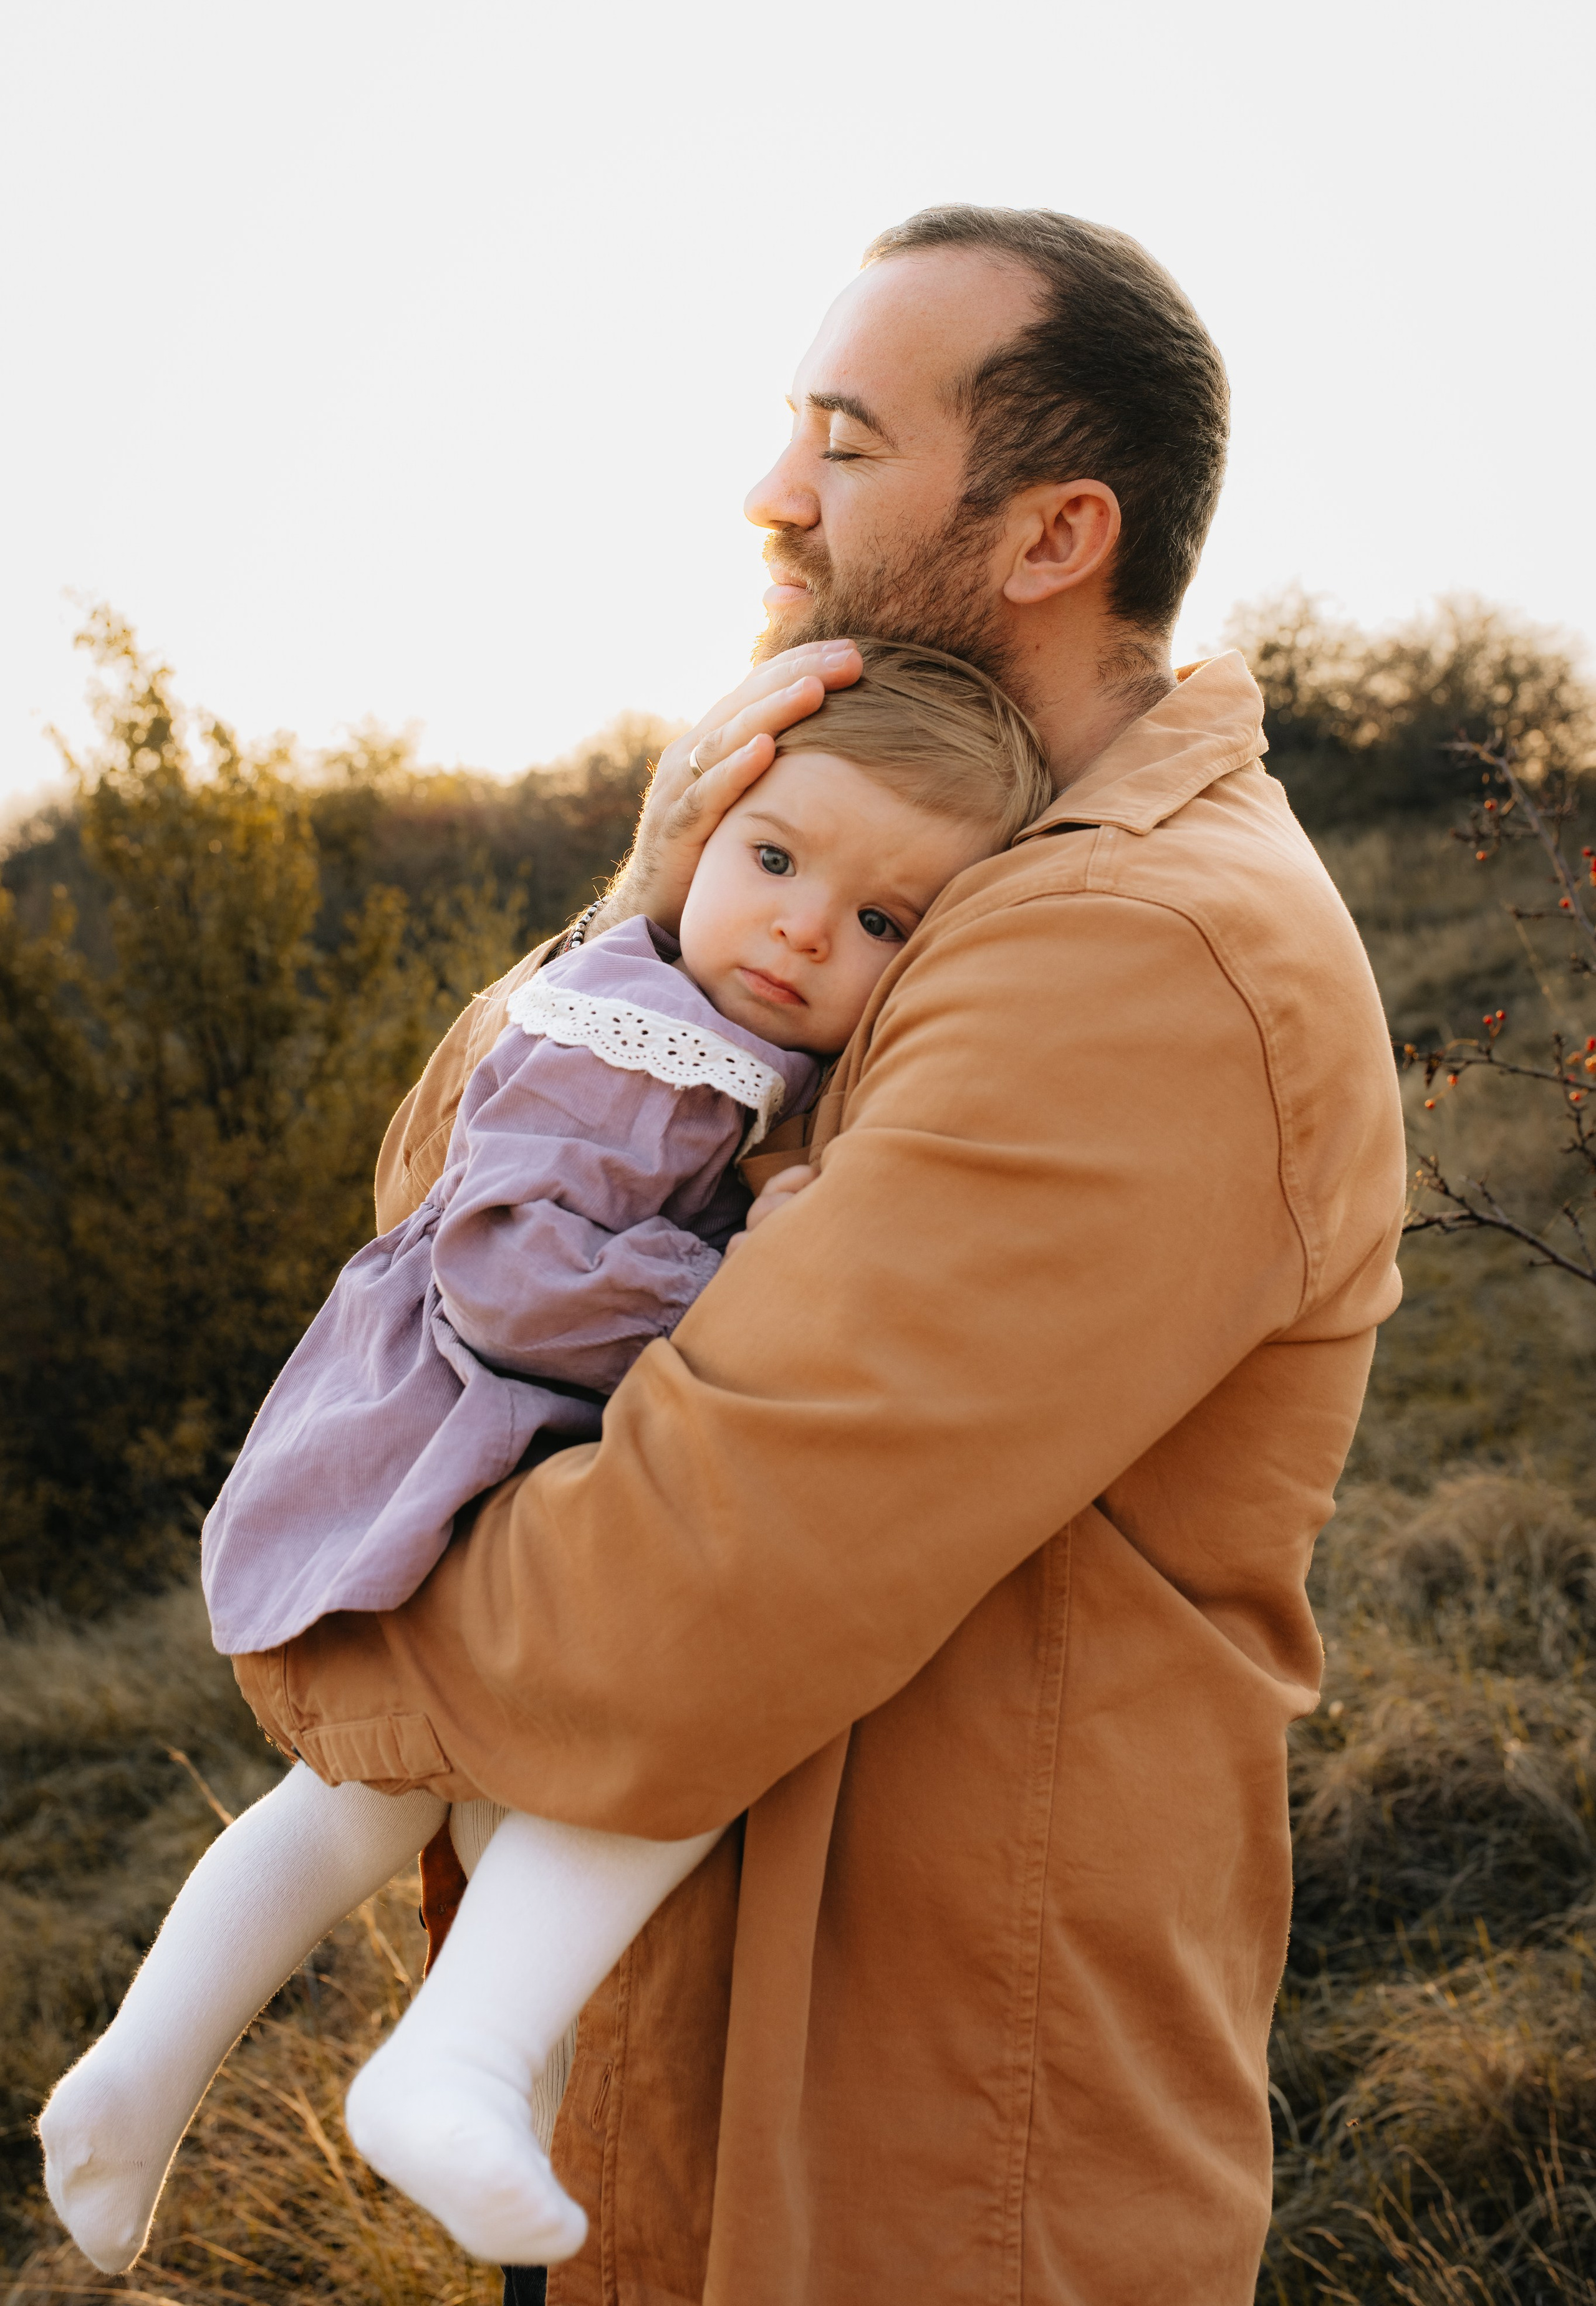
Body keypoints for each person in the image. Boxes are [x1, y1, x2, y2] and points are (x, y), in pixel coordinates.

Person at [89, 205, 1412, 2304]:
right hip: (669, 2090)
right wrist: (644, 906)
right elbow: (450, 1231)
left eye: (847, 439)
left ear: (1055, 529)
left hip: (920, 2158)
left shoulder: (1141, 951)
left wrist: (337, 1585)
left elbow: (676, 1589)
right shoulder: (910, 868)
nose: (774, 491)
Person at [36, 645, 1054, 2277]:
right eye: (778, 861)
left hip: (480, 1447)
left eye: (884, 920)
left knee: (368, 1803)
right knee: (669, 1741)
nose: (804, 927)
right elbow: (519, 1278)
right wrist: (746, 1276)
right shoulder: (646, 1035)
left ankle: (134, 2082)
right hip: (464, 1434)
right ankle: (459, 2060)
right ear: (697, 839)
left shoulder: (713, 1031)